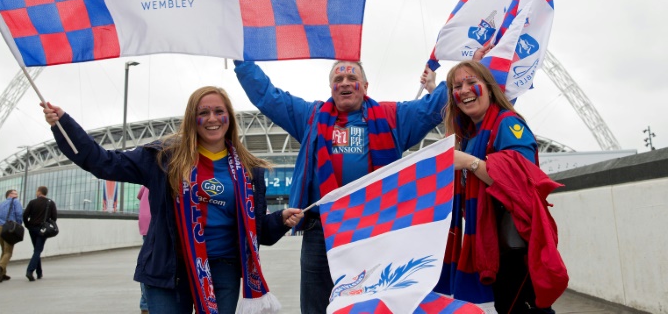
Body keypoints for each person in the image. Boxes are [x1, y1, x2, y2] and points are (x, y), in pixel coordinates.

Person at [42, 86, 303, 314]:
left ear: (229, 118)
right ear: (192, 119)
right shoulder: (163, 158)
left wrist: (280, 220)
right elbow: (103, 163)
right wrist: (64, 125)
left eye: (218, 111)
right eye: (203, 112)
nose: (212, 118)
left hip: (223, 269)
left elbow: (255, 232)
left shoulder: (249, 170)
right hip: (170, 268)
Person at [234, 60, 447, 314]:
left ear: (365, 86)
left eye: (351, 78)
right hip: (320, 231)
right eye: (337, 80)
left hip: (373, 229)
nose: (344, 83)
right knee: (316, 306)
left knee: (369, 304)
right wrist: (241, 60)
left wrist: (478, 63)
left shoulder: (393, 118)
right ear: (331, 87)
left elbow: (436, 106)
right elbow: (268, 96)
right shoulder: (310, 116)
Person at [435, 60, 567, 313]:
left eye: (472, 83)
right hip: (490, 243)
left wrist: (469, 163)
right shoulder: (470, 135)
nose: (464, 90)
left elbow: (522, 182)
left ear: (489, 88)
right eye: (457, 86)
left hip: (513, 245)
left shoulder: (508, 124)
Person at [23, 185, 58, 281]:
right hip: (43, 230)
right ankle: (30, 271)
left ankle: (39, 273)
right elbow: (54, 218)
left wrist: (27, 225)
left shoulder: (32, 202)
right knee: (37, 250)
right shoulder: (50, 203)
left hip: (32, 229)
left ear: (39, 192)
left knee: (36, 250)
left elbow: (25, 215)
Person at [137, 186, 151, 314]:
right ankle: (146, 304)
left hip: (145, 226)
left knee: (146, 264)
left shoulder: (146, 182)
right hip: (155, 224)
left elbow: (139, 195)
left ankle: (145, 305)